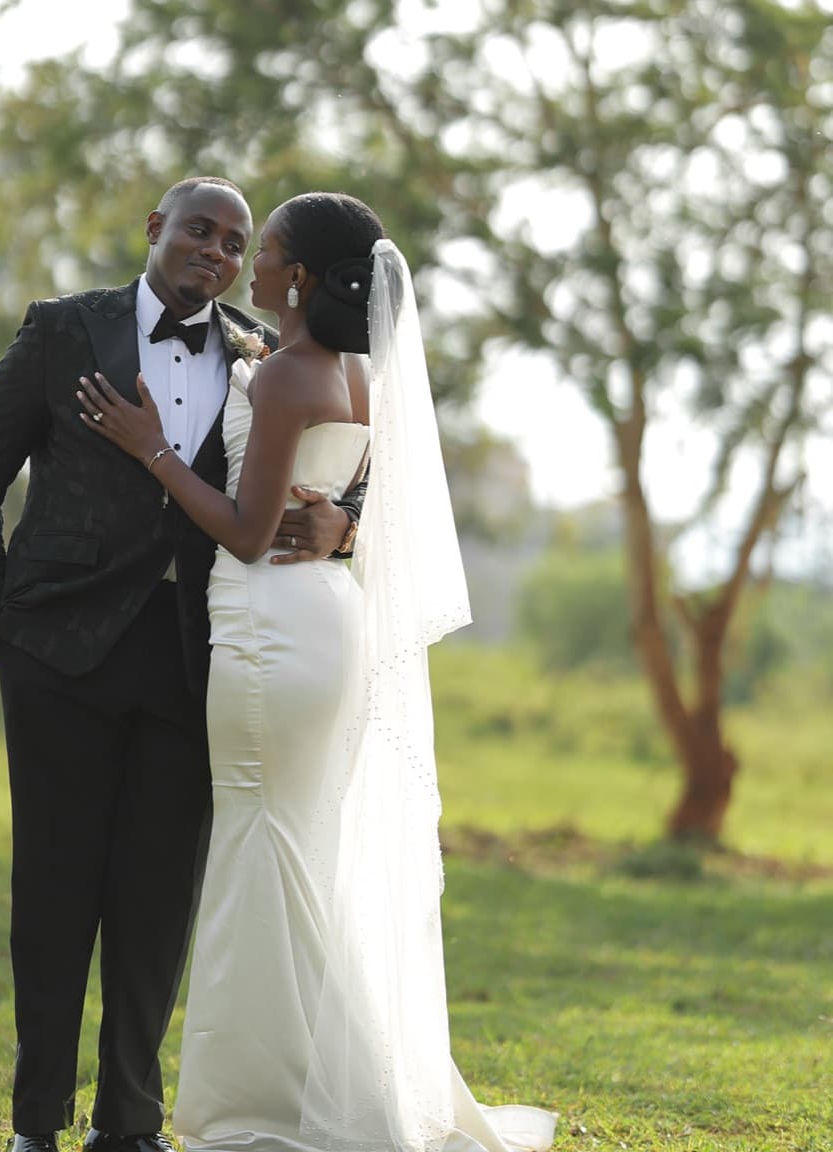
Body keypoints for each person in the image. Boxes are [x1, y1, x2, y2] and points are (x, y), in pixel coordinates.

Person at [79, 191, 557, 1152]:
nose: (249, 267)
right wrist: (341, 522)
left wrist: (153, 450)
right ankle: (328, 1083)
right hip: (326, 621)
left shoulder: (288, 377)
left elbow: (250, 534)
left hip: (267, 630)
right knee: (295, 847)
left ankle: (268, 1106)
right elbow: (358, 500)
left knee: (263, 840)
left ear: (295, 277)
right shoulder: (359, 376)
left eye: (267, 254)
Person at [0, 177, 365, 1152]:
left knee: (156, 899)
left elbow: (348, 457)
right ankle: (34, 1124)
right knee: (51, 892)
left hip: (197, 663)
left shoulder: (267, 349)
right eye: (198, 231)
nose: (214, 252)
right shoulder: (62, 329)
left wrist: (344, 522)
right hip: (53, 656)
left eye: (234, 240)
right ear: (155, 230)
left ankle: (128, 1125)